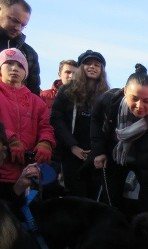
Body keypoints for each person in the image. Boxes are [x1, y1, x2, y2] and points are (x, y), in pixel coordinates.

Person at [91, 64, 148, 225]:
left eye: (147, 101)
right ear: (125, 92)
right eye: (134, 99)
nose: (140, 106)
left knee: (147, 207)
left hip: (147, 163)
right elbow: (95, 119)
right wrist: (99, 151)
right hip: (115, 156)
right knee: (109, 205)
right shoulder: (109, 100)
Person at [50, 50, 109, 198]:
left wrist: (99, 151)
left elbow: (109, 127)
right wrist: (72, 146)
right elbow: (57, 119)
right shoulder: (67, 90)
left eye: (97, 65)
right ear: (81, 67)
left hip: (95, 156)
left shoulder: (107, 95)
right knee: (74, 197)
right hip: (71, 153)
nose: (92, 67)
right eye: (88, 63)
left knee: (93, 198)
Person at [0, 48, 54, 201]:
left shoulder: (37, 102)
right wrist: (10, 139)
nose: (14, 68)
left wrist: (45, 143)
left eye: (20, 66)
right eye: (9, 63)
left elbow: (46, 127)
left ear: (26, 72)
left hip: (26, 174)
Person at [0, 0, 39, 94]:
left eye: (23, 25)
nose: (18, 28)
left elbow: (33, 93)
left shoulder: (30, 54)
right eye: (14, 20)